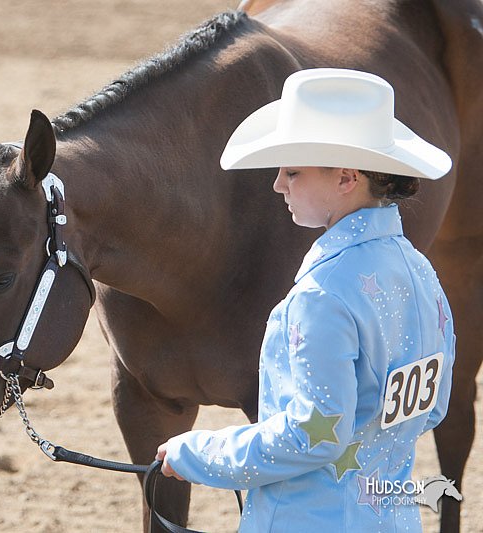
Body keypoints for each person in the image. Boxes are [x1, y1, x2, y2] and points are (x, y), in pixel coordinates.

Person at [155, 68, 456, 531]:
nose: (278, 184)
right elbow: (430, 407)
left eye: (293, 171)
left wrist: (196, 453)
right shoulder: (421, 272)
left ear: (346, 177)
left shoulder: (322, 294)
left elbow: (312, 436)